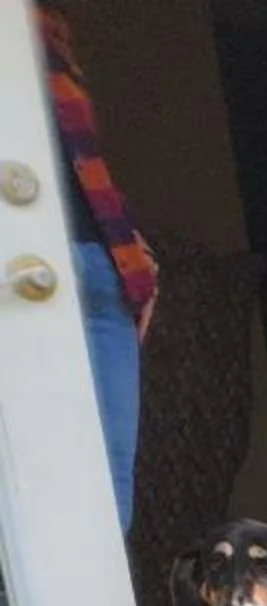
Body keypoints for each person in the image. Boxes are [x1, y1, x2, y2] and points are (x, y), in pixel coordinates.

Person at [38, 5, 158, 532]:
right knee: (30, 491)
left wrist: (132, 250)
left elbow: (80, 165)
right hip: (29, 273)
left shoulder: (43, 34)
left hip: (97, 270)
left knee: (111, 493)